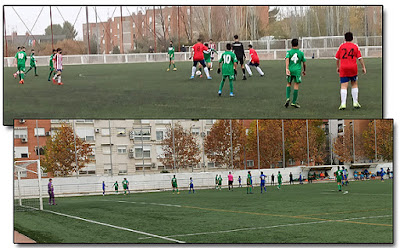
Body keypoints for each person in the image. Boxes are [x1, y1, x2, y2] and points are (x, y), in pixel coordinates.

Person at [336, 32, 367, 110]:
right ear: (352, 38)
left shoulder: (341, 46)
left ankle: (343, 104)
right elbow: (360, 58)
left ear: (345, 38)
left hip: (343, 68)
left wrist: (338, 67)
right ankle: (355, 102)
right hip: (353, 68)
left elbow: (337, 58)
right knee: (354, 84)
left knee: (343, 85)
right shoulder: (355, 46)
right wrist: (363, 67)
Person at [285, 38, 306, 108]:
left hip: (290, 70)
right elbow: (304, 63)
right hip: (297, 71)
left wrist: (287, 68)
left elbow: (287, 59)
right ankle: (293, 102)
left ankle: (288, 98)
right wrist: (304, 70)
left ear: (291, 44)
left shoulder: (289, 52)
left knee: (288, 83)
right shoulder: (301, 53)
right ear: (298, 44)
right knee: (296, 85)